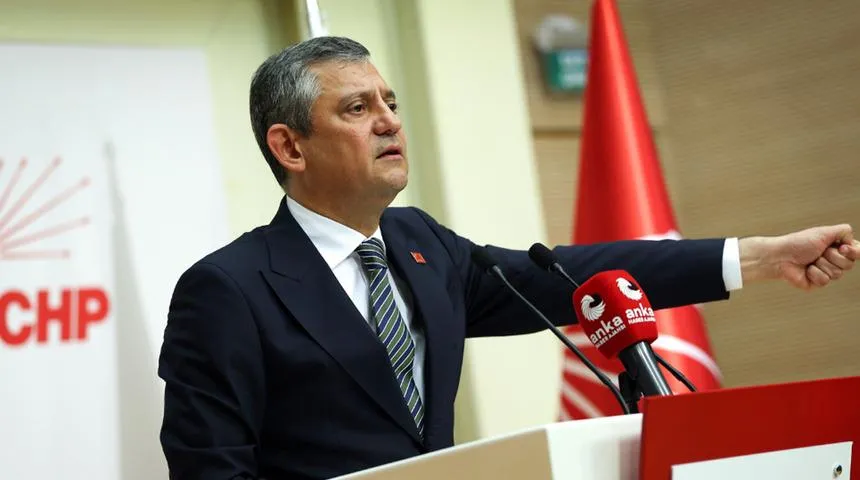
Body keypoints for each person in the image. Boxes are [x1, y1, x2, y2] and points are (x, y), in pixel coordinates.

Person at [157, 36, 858, 480]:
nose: (390, 121)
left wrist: (760, 257)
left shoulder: (420, 244)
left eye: (390, 102)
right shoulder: (228, 290)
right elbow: (211, 469)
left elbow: (572, 278)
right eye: (358, 109)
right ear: (290, 147)